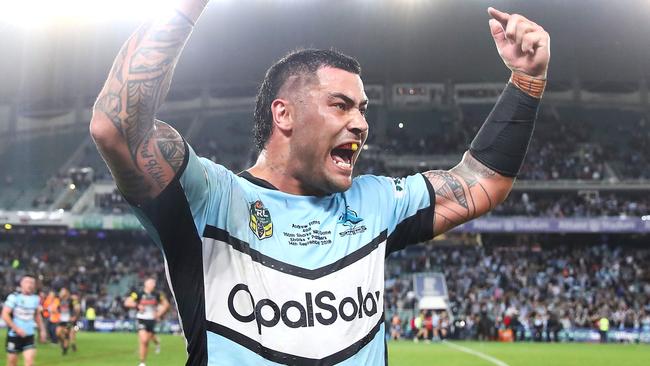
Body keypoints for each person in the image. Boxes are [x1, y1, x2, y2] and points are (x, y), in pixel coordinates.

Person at [89, 0, 550, 363]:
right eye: (340, 105)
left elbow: (481, 182)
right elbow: (117, 127)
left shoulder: (375, 202)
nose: (360, 123)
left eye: (362, 109)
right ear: (283, 114)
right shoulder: (211, 199)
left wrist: (527, 80)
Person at [2, 275, 47, 366]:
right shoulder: (14, 297)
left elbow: (37, 316)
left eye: (32, 283)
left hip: (29, 335)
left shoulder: (36, 299)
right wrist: (17, 329)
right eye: (27, 282)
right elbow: (5, 314)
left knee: (29, 362)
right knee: (12, 363)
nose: (29, 285)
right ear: (21, 283)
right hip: (14, 335)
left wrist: (42, 330)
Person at [124, 278, 170, 366]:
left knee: (147, 341)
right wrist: (137, 306)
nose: (154, 285)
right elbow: (127, 302)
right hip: (141, 319)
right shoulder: (138, 293)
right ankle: (142, 363)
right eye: (152, 284)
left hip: (152, 320)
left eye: (154, 284)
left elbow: (166, 304)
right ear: (146, 284)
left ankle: (145, 358)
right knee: (144, 340)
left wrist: (159, 313)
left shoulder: (157, 294)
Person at [52, 287, 81, 355]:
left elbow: (77, 308)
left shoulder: (71, 300)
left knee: (70, 333)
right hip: (62, 320)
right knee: (58, 333)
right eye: (61, 291)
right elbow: (57, 308)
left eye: (63, 291)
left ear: (66, 292)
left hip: (70, 321)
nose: (61, 293)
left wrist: (74, 316)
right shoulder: (59, 300)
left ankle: (66, 347)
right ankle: (66, 343)